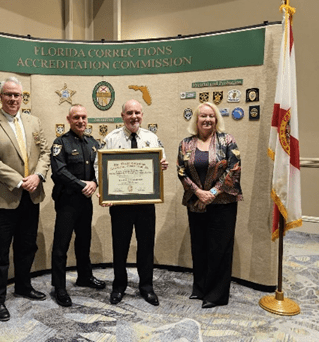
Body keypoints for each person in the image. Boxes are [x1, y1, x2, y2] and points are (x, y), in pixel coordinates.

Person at [0, 77, 50, 321]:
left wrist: (38, 176)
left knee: (27, 246)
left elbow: (45, 153)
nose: (13, 99)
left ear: (22, 97)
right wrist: (21, 181)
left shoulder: (33, 122)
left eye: (17, 95)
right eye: (8, 94)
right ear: (0, 97)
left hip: (31, 197)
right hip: (3, 199)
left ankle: (23, 286)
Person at [97, 99, 168, 306]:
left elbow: (161, 162)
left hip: (146, 203)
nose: (134, 117)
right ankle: (119, 286)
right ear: (122, 116)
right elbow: (98, 167)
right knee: (120, 246)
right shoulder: (110, 139)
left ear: (142, 115)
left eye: (137, 112)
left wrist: (162, 164)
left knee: (146, 246)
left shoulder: (151, 138)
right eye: (129, 113)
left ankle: (146, 287)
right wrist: (104, 192)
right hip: (119, 205)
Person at [176, 102, 243, 309]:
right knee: (200, 246)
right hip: (196, 203)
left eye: (211, 116)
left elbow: (234, 169)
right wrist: (198, 192)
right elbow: (181, 171)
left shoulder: (227, 140)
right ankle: (201, 288)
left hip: (222, 203)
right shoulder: (185, 144)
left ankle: (216, 295)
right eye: (203, 116)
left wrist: (213, 192)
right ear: (196, 119)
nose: (207, 119)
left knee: (219, 248)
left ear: (216, 119)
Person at [50, 104, 106, 307]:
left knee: (84, 241)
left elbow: (101, 168)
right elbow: (59, 172)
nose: (81, 121)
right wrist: (83, 185)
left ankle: (85, 276)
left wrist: (95, 183)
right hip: (67, 202)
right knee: (61, 245)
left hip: (85, 201)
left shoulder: (93, 143)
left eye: (83, 117)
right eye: (76, 118)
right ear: (69, 119)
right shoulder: (60, 143)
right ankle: (59, 287)